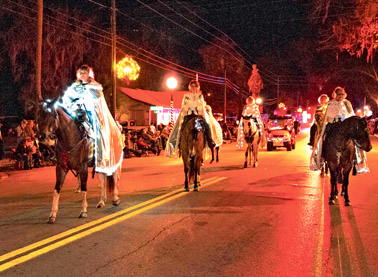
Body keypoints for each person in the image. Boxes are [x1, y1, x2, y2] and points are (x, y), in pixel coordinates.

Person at [58, 64, 124, 175]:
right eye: (81, 73)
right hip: (77, 113)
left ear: (88, 74)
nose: (82, 75)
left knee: (97, 131)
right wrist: (71, 104)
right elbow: (67, 98)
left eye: (84, 73)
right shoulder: (75, 86)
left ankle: (99, 154)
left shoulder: (95, 86)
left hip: (91, 113)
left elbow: (96, 100)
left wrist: (82, 100)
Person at [310, 87, 368, 173]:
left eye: (342, 94)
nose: (340, 96)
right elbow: (326, 116)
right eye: (339, 94)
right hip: (332, 124)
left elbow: (351, 114)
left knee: (355, 138)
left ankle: (356, 159)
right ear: (335, 95)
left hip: (345, 125)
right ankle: (322, 155)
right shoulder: (330, 104)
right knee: (323, 136)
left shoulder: (347, 103)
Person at [165, 80, 215, 157]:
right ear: (190, 87)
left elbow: (202, 104)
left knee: (206, 125)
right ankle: (179, 143)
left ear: (198, 87)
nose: (194, 88)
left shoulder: (200, 96)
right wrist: (186, 107)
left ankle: (209, 140)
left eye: (195, 86)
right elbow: (183, 105)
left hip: (197, 115)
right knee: (181, 126)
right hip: (188, 114)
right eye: (192, 86)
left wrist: (200, 107)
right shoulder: (186, 96)